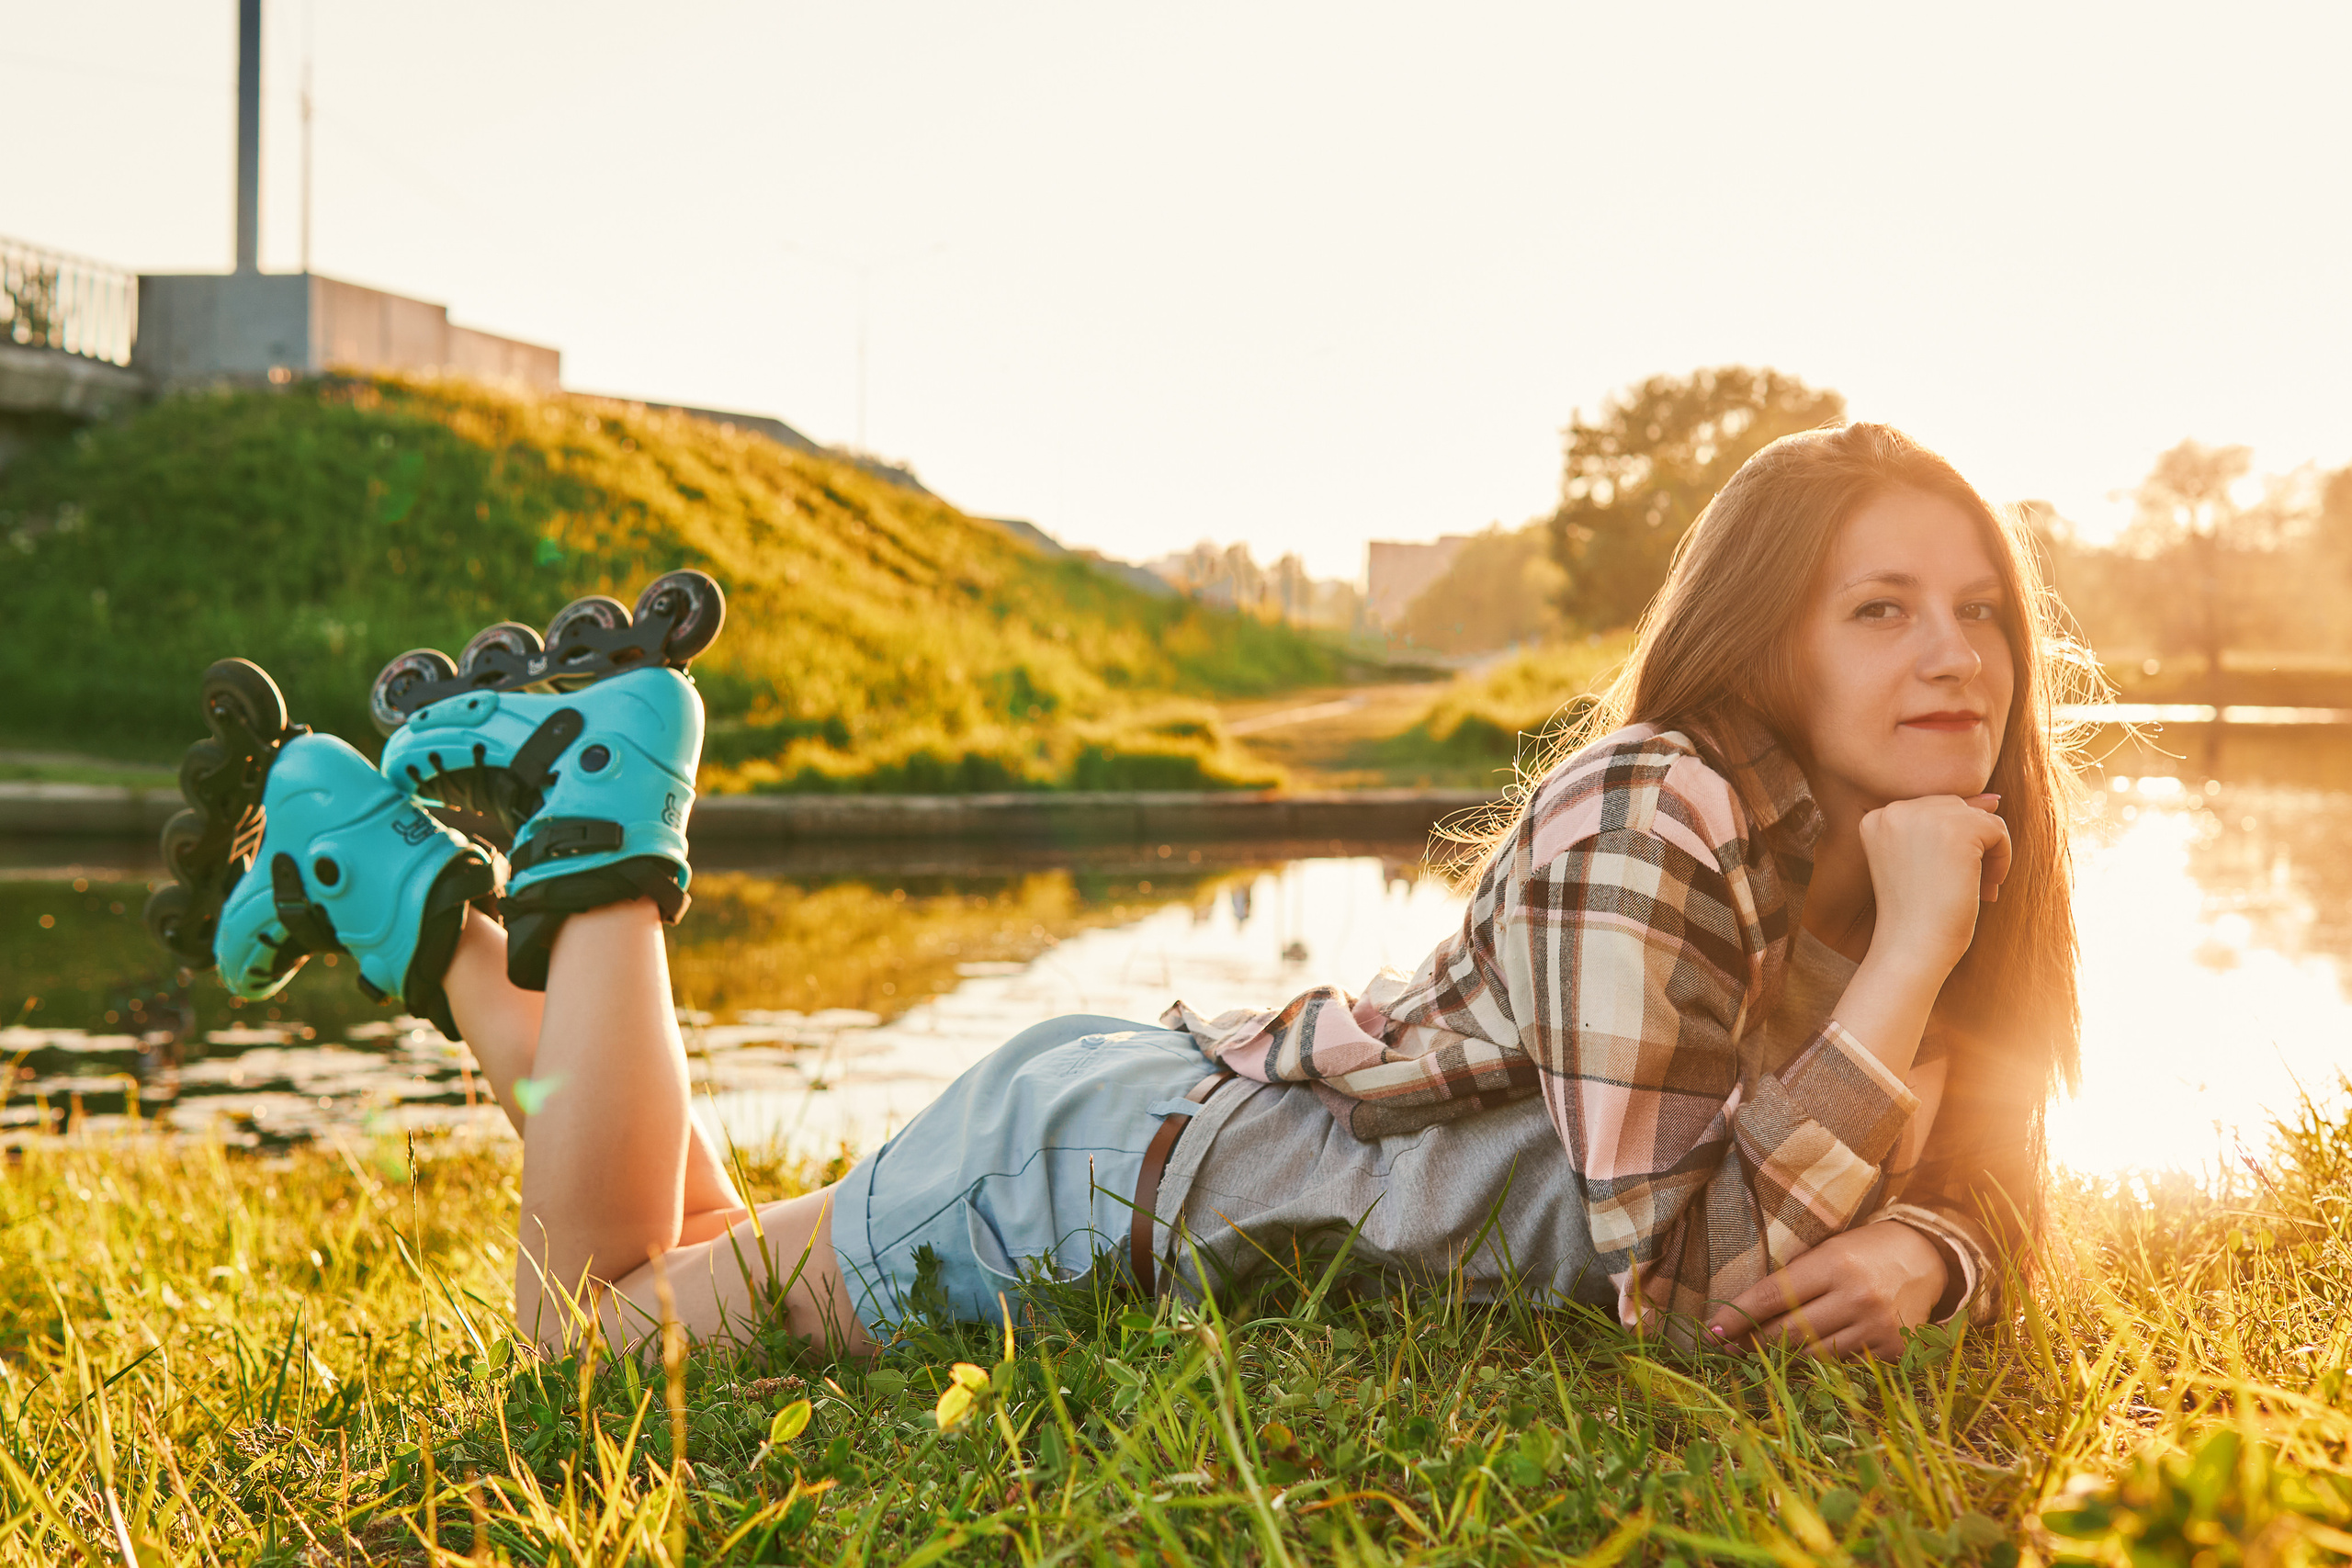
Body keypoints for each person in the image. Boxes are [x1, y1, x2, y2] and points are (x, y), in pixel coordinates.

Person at [156, 420, 2084, 1362]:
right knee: (588, 1347)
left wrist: (1942, 1253)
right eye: (1881, 609)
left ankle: (389, 883)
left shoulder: (1922, 840)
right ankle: (608, 829)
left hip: (1140, 1141)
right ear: (1764, 637)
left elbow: (1982, 1167)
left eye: (1980, 610)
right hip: (1090, 1189)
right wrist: (1912, 949)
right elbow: (1693, 1288)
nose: (1956, 657)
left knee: (696, 1245)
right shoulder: (1650, 812)